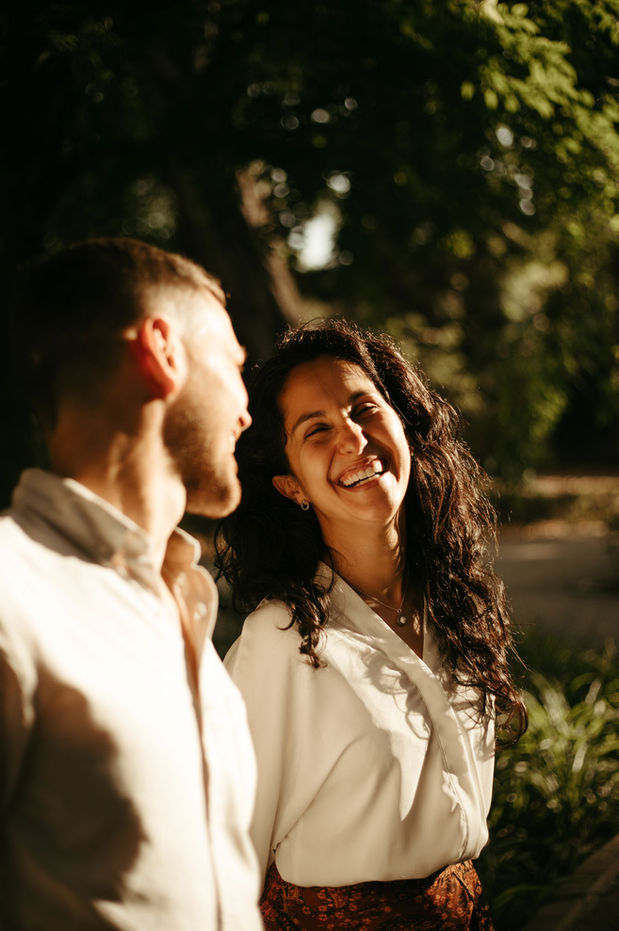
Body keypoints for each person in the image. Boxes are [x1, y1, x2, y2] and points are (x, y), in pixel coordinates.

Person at [216, 318, 527, 930]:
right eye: (318, 430)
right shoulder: (282, 638)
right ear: (289, 484)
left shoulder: (455, 604)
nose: (354, 438)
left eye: (365, 408)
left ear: (404, 423)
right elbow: (231, 856)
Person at [0, 237, 263, 930]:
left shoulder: (181, 600)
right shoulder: (10, 592)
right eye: (234, 365)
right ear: (162, 350)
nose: (246, 407)